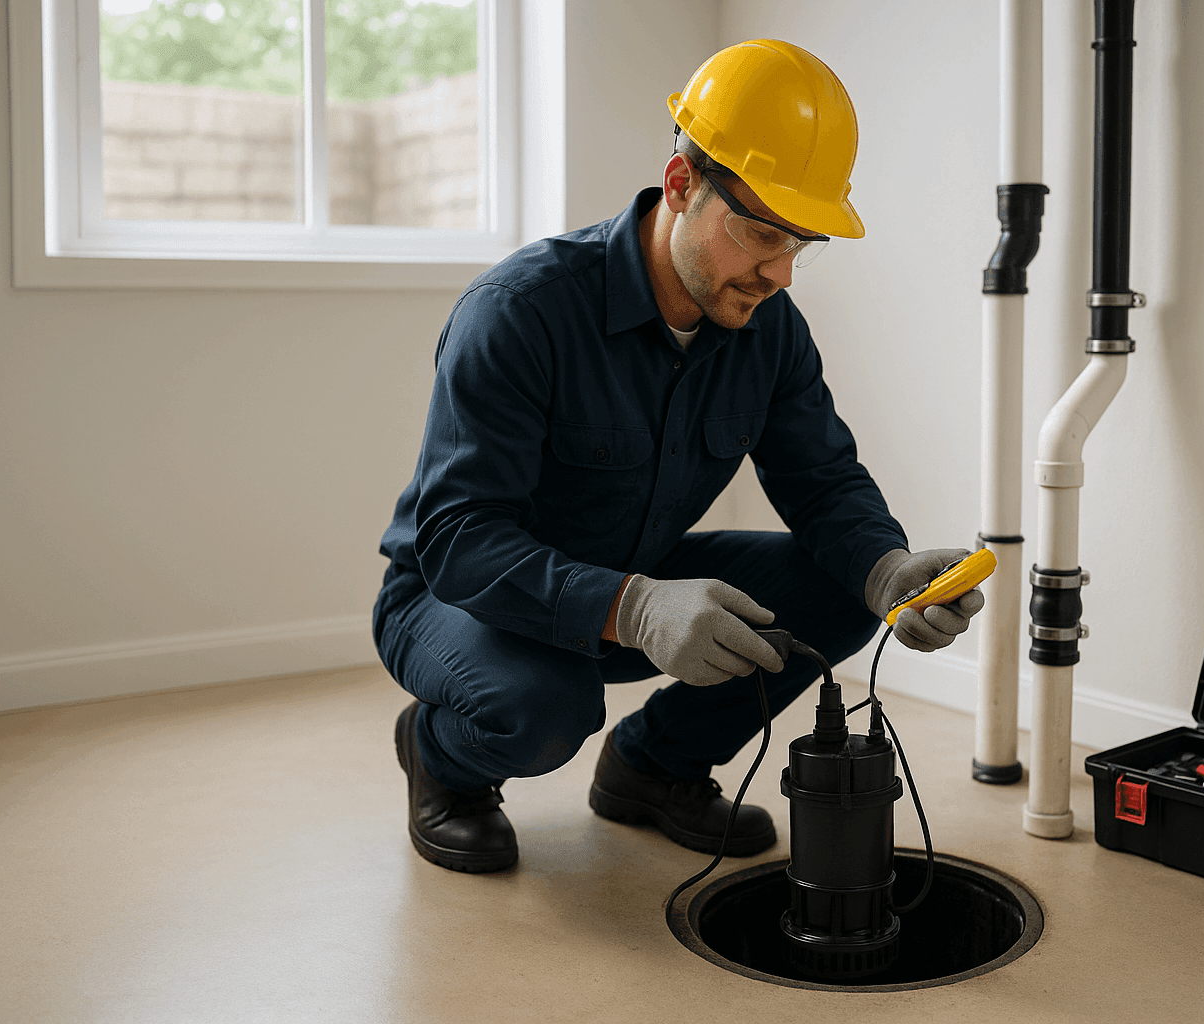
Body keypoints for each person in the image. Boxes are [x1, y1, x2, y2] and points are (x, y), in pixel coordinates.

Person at [373, 39, 985, 873]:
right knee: (545, 706)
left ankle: (652, 767)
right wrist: (632, 607)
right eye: (759, 233)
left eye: (800, 243)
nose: (779, 273)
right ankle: (442, 757)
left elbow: (822, 479)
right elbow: (457, 539)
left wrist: (887, 572)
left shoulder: (767, 331)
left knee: (842, 589)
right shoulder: (520, 313)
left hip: (635, 576)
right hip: (458, 600)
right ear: (680, 186)